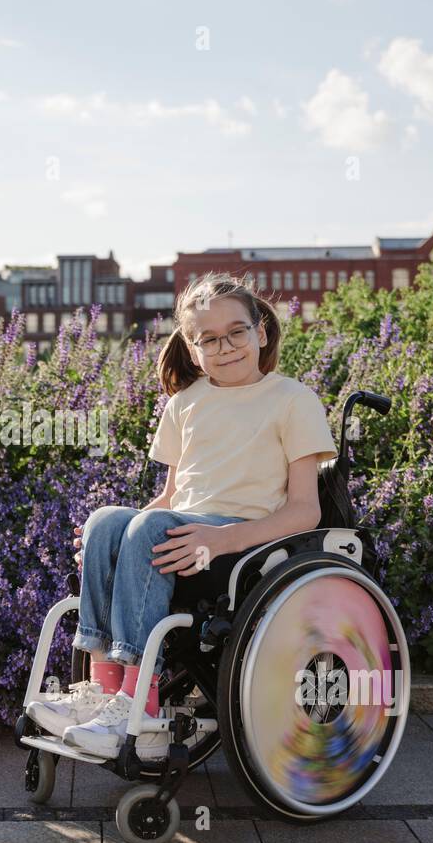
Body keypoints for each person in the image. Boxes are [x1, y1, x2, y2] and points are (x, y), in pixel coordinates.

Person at [26, 272, 339, 759]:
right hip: (183, 529)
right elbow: (171, 497)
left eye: (236, 331)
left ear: (260, 331)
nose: (226, 346)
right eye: (208, 339)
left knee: (147, 527)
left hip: (247, 544)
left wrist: (224, 540)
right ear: (192, 349)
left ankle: (141, 706)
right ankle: (102, 692)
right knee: (106, 520)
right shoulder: (185, 404)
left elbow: (304, 511)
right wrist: (105, 539)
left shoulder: (292, 400)